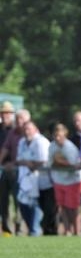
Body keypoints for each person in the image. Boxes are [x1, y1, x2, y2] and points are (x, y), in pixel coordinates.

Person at [48, 123, 81, 235]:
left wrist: (59, 162)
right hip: (59, 180)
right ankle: (67, 230)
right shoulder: (52, 146)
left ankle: (77, 231)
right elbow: (51, 163)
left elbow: (74, 166)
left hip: (73, 181)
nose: (58, 138)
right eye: (56, 135)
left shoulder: (70, 148)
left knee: (74, 207)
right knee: (62, 206)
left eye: (60, 135)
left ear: (65, 134)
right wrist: (58, 163)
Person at [15, 121, 50, 236]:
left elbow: (44, 161)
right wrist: (27, 163)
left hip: (43, 181)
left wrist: (31, 164)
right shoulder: (22, 142)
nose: (26, 131)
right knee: (23, 203)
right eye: (25, 129)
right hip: (26, 180)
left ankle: (35, 230)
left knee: (37, 206)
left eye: (29, 129)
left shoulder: (41, 142)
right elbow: (18, 160)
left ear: (36, 130)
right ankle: (32, 229)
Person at [0, 101, 20, 236]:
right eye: (3, 113)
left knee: (18, 200)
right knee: (3, 201)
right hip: (1, 169)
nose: (6, 115)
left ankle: (18, 227)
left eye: (8, 113)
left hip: (15, 169)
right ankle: (6, 229)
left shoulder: (16, 130)